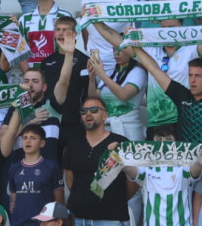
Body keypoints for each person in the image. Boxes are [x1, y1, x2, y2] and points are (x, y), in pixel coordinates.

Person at [63, 96, 131, 226]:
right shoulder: (73, 144)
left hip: (111, 218)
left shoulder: (121, 142)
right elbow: (70, 182)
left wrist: (117, 200)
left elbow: (134, 181)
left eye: (94, 110)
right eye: (84, 111)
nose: (88, 113)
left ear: (105, 116)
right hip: (78, 217)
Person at [7, 124, 65, 226]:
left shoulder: (51, 166)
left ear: (42, 143)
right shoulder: (14, 168)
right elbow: (14, 195)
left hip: (43, 223)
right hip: (18, 222)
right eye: (25, 138)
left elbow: (59, 200)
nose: (28, 141)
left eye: (33, 138)